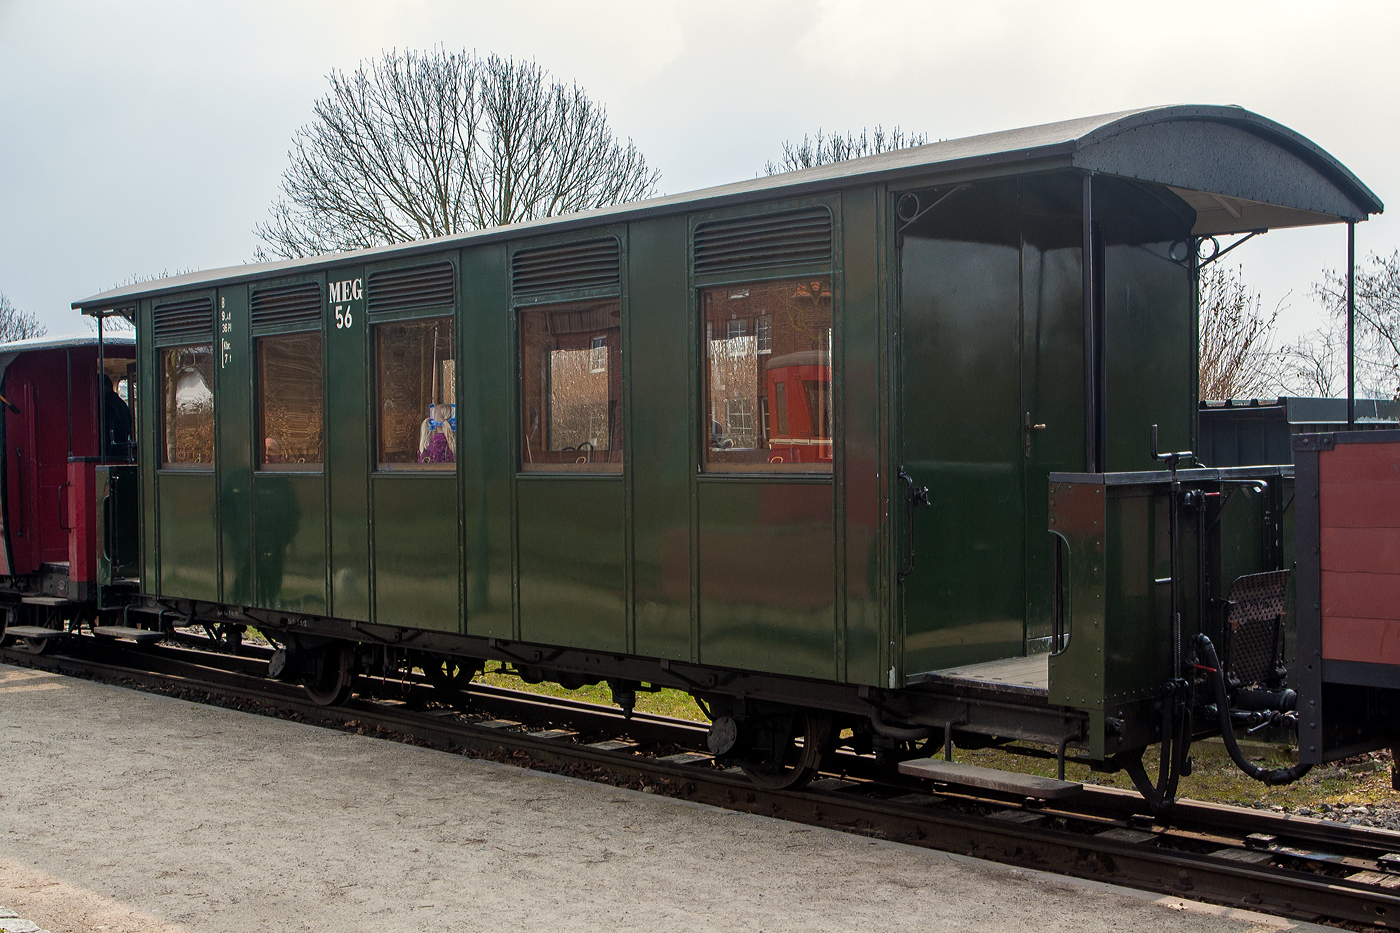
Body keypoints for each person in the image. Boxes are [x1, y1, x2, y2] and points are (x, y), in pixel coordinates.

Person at [103, 374, 133, 461]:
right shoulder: (122, 404)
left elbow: (108, 428)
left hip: (111, 453)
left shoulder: (105, 404)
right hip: (124, 450)